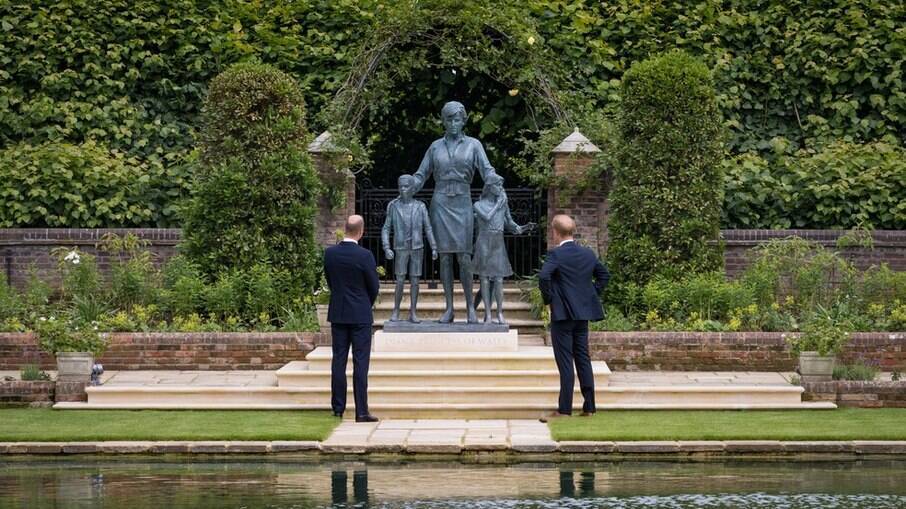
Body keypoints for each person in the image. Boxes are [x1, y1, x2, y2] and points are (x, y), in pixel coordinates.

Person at [411, 101, 499, 323]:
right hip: (440, 203)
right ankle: (449, 308)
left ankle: (470, 307)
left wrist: (495, 181)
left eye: (457, 119)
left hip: (462, 201)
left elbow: (487, 170)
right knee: (445, 258)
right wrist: (410, 185)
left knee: (464, 257)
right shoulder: (435, 147)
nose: (452, 123)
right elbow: (422, 174)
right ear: (443, 121)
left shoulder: (474, 145)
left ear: (464, 120)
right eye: (448, 119)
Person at [538, 214, 610, 422]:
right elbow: (604, 276)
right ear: (572, 231)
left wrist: (549, 299)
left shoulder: (556, 255)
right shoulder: (587, 253)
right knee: (583, 359)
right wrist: (590, 294)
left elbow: (544, 277)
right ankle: (589, 406)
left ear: (555, 232)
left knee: (565, 363)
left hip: (562, 316)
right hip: (582, 315)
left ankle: (564, 410)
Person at [323, 215, 380, 422]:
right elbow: (374, 286)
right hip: (360, 314)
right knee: (360, 362)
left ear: (344, 229)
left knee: (338, 360)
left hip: (339, 313)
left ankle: (338, 408)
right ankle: (361, 411)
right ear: (361, 231)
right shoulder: (365, 256)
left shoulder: (330, 254)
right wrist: (365, 302)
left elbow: (331, 281)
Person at [472, 174, 535, 323]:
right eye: (498, 185)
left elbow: (510, 223)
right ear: (489, 187)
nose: (501, 189)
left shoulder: (502, 204)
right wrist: (498, 205)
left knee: (499, 279)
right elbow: (487, 217)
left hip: (497, 241)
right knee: (484, 279)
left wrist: (524, 227)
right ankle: (487, 314)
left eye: (501, 185)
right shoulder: (478, 204)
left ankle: (499, 312)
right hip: (484, 241)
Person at [381, 174, 438, 323]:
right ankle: (396, 311)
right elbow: (386, 228)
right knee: (400, 280)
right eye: (400, 186)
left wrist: (433, 246)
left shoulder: (420, 206)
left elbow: (428, 228)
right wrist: (386, 247)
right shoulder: (394, 206)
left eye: (406, 186)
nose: (403, 189)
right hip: (400, 248)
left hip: (417, 247)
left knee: (415, 280)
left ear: (413, 189)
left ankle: (413, 311)